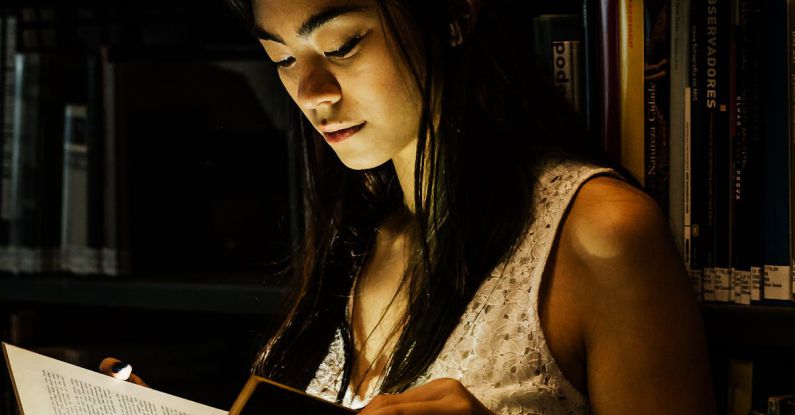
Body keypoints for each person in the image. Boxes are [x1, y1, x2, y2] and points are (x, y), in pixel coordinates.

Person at [102, 0, 717, 413]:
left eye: (341, 46)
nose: (312, 93)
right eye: (282, 59)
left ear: (453, 16)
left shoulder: (599, 234)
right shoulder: (359, 235)